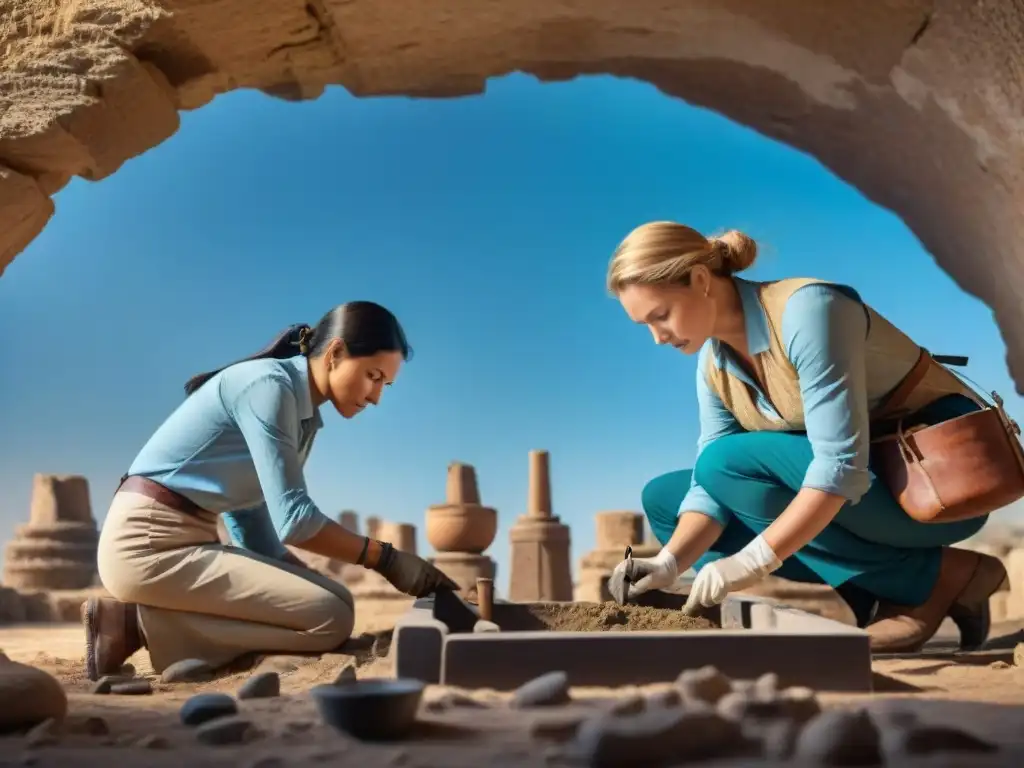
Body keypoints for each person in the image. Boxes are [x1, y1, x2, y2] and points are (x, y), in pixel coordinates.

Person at [605, 221, 1010, 654]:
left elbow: (838, 465)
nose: (657, 337)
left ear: (701, 280)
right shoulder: (713, 363)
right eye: (644, 325)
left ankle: (929, 584)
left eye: (660, 315)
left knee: (726, 462)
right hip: (863, 491)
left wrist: (753, 560)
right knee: (665, 499)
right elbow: (709, 487)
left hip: (932, 479)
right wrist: (669, 564)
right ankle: (896, 587)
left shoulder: (809, 310)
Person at [83, 302, 457, 681]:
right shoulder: (269, 387)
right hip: (146, 543)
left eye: (385, 385)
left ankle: (149, 626)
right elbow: (294, 521)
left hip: (186, 540)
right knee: (331, 616)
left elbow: (247, 514)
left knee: (338, 601)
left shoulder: (301, 411)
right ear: (335, 353)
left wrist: (302, 580)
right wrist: (385, 558)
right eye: (373, 376)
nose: (376, 396)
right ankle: (135, 625)